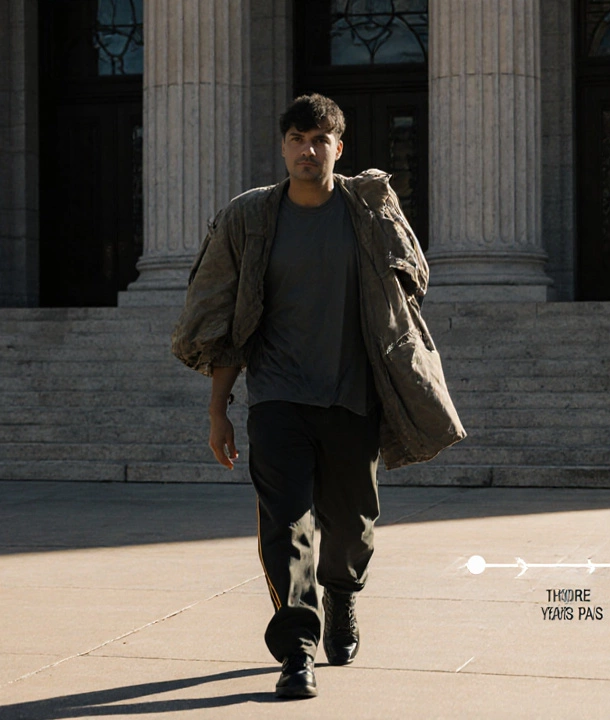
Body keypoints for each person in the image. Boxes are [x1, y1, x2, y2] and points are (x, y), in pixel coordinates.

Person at [171, 94, 465, 699]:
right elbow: (225, 314)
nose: (309, 150)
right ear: (283, 147)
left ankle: (343, 593)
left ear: (339, 147)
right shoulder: (250, 219)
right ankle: (297, 650)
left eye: (320, 140)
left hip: (353, 397)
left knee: (352, 525)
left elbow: (414, 284)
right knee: (286, 524)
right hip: (277, 396)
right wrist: (218, 408)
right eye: (298, 139)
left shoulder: (367, 209)